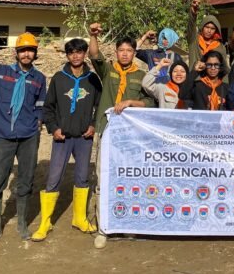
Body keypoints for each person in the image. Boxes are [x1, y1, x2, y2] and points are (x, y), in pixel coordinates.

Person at [0, 31, 47, 247]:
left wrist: (38, 123)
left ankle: (22, 224)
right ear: (16, 53)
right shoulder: (0, 73)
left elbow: (41, 105)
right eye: (23, 50)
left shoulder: (39, 79)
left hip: (29, 137)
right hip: (3, 136)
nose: (26, 54)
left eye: (30, 50)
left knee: (26, 181)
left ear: (35, 54)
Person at [87, 23, 155, 249]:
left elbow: (150, 102)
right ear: (116, 52)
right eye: (121, 50)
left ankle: (126, 223)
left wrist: (130, 102)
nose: (125, 53)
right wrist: (93, 35)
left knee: (128, 179)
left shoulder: (142, 75)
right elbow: (94, 54)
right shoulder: (108, 70)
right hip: (105, 131)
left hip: (129, 137)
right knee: (103, 179)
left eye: (129, 50)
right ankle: (103, 227)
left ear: (135, 53)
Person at [32, 38, 102, 242]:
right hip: (62, 138)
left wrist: (93, 125)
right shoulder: (59, 78)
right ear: (67, 55)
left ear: (85, 54)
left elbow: (100, 105)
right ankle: (45, 222)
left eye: (80, 52)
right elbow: (48, 107)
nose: (76, 56)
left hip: (83, 138)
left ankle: (79, 218)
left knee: (82, 177)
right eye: (71, 52)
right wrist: (53, 128)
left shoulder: (93, 79)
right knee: (54, 177)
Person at [187, 0, 229, 75]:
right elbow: (191, 26)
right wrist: (193, 12)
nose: (209, 31)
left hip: (213, 83)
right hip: (195, 81)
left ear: (216, 31)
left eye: (212, 28)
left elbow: (224, 67)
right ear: (202, 27)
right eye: (207, 27)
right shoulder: (194, 40)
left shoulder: (220, 47)